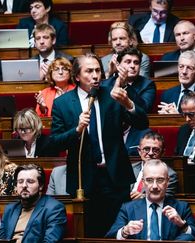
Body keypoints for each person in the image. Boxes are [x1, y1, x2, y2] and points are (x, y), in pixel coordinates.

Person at [50, 53, 148, 237]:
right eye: (89, 71)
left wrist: (128, 103)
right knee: (90, 233)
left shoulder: (112, 95)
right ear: (77, 76)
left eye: (97, 70)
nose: (95, 75)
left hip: (114, 178)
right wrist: (77, 130)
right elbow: (55, 143)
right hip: (83, 179)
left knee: (120, 232)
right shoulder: (62, 104)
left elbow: (142, 123)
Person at [105, 159, 195, 241]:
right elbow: (110, 238)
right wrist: (125, 231)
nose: (155, 186)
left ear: (167, 182)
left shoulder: (181, 208)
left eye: (160, 180)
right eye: (149, 180)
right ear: (143, 182)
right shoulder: (128, 208)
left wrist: (182, 225)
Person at [0, 164, 67, 242]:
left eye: (30, 181)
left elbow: (50, 241)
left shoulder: (54, 208)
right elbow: (0, 240)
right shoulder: (10, 208)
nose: (24, 185)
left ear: (41, 186)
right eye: (20, 182)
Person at [101, 47, 156, 113]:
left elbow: (145, 109)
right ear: (118, 65)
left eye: (136, 62)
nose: (132, 66)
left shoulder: (148, 85)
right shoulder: (105, 83)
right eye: (128, 62)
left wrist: (125, 85)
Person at [131, 131, 178, 200]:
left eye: (155, 150)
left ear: (163, 153)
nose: (150, 153)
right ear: (139, 151)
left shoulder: (170, 174)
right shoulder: (131, 168)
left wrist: (143, 197)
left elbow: (166, 197)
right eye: (146, 149)